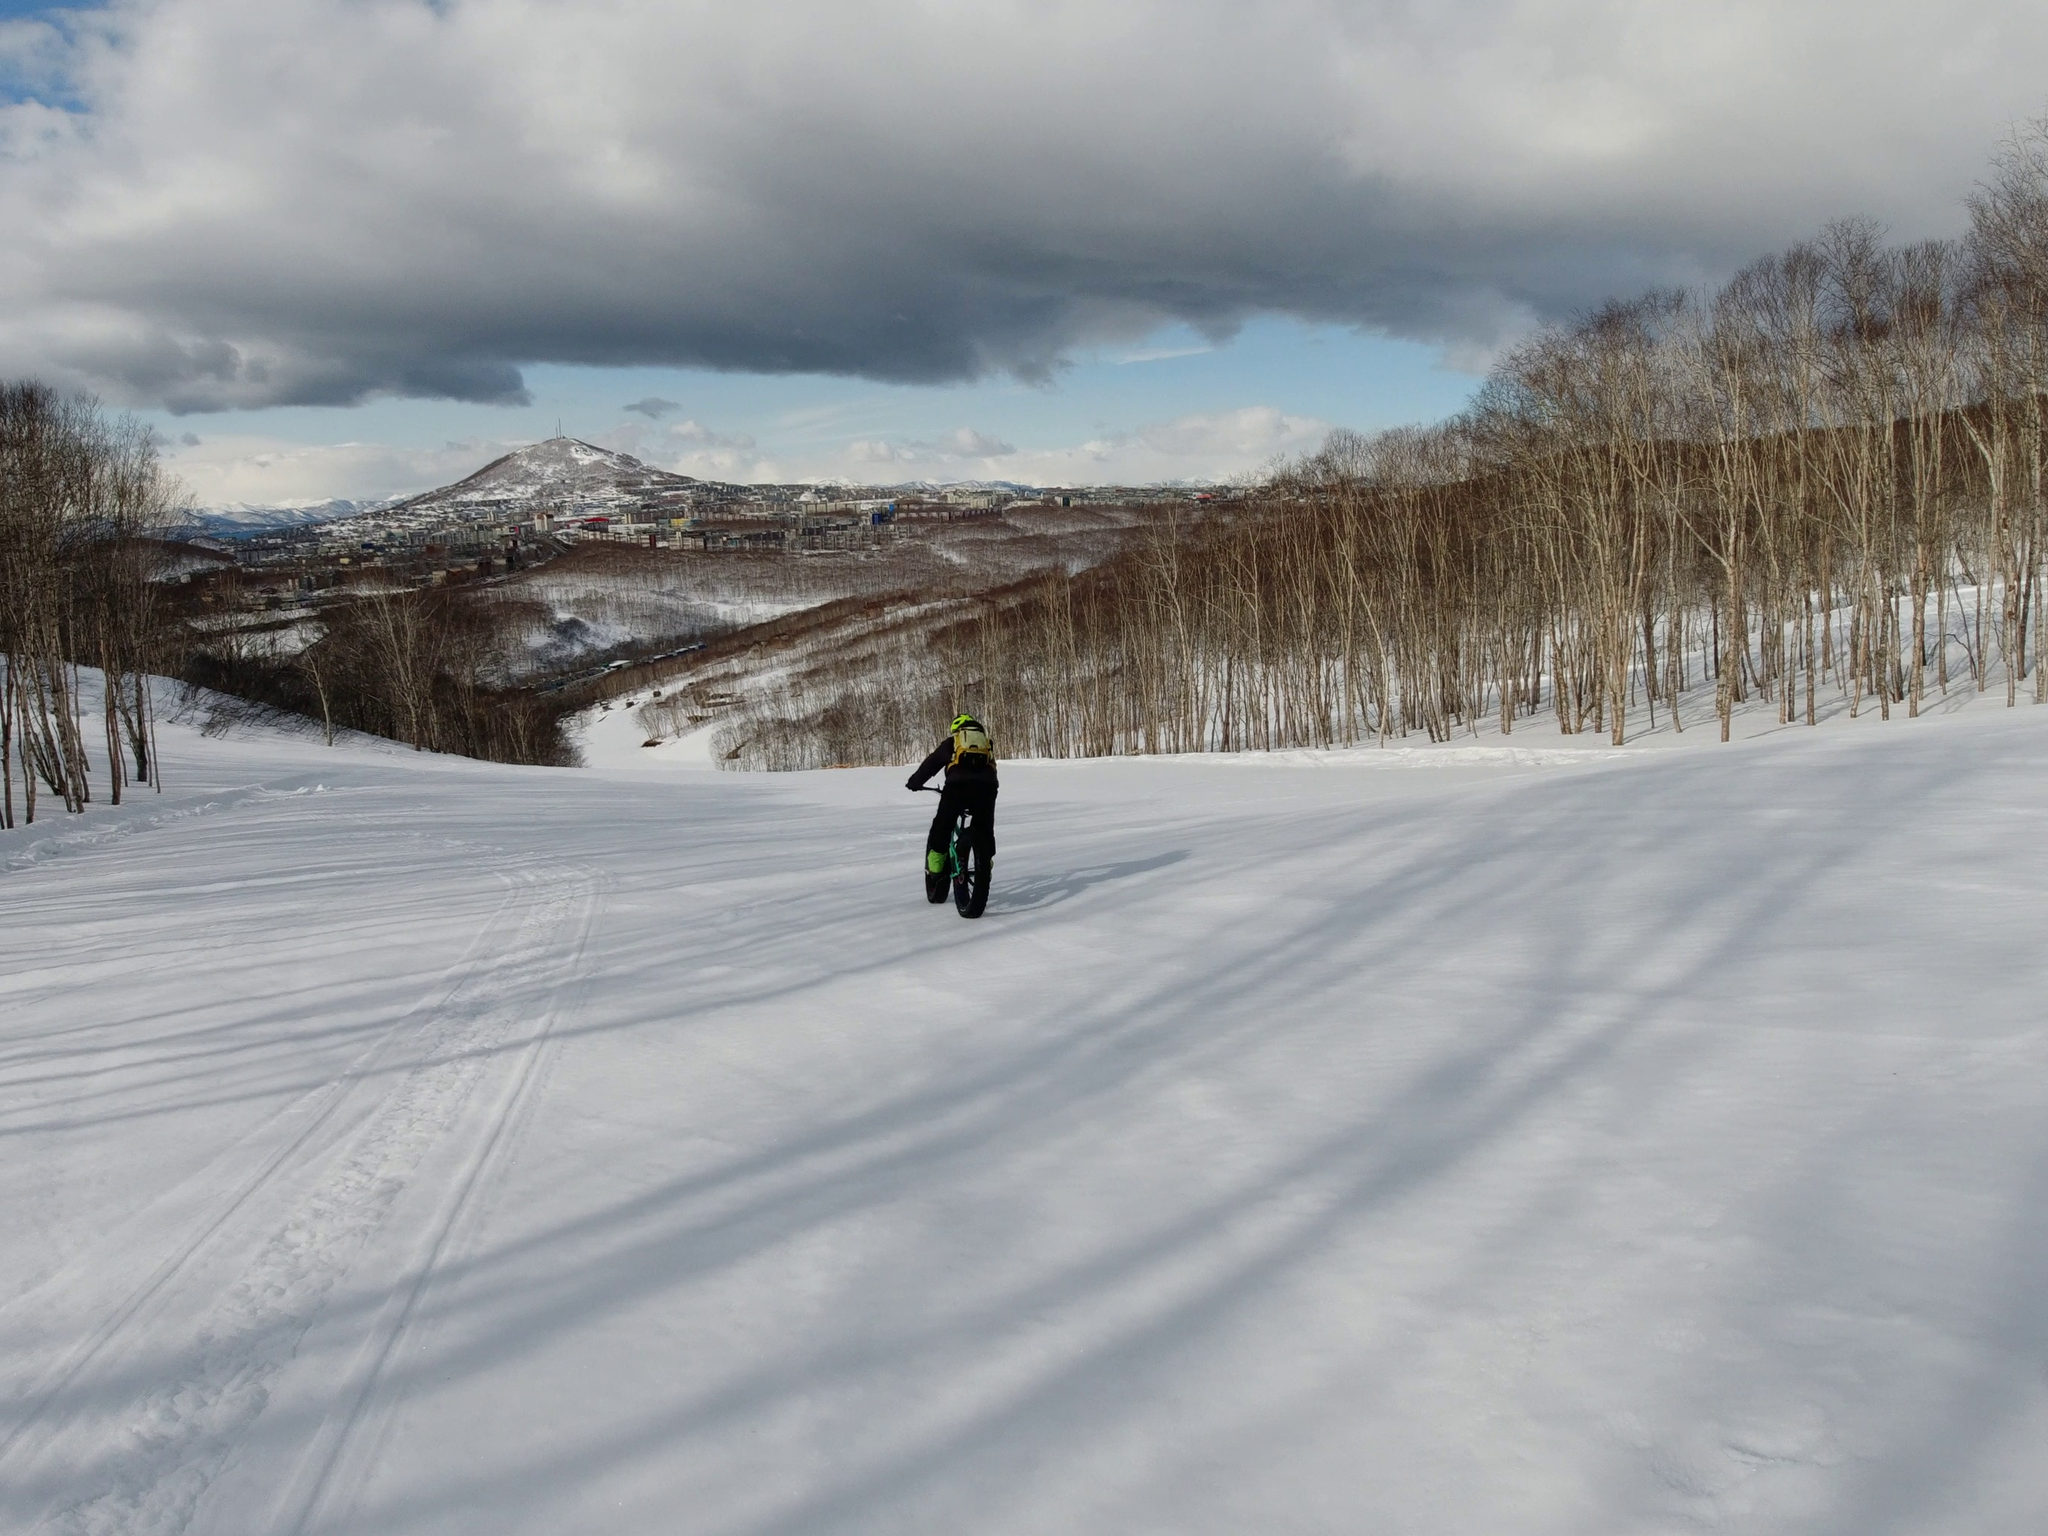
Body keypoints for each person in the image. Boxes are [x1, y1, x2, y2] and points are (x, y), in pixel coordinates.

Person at [907, 713, 997, 899]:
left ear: (958, 728)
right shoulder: (987, 743)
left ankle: (936, 868)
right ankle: (984, 864)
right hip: (986, 789)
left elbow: (931, 764)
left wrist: (915, 782)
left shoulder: (953, 741)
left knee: (942, 824)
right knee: (984, 828)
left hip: (957, 788)